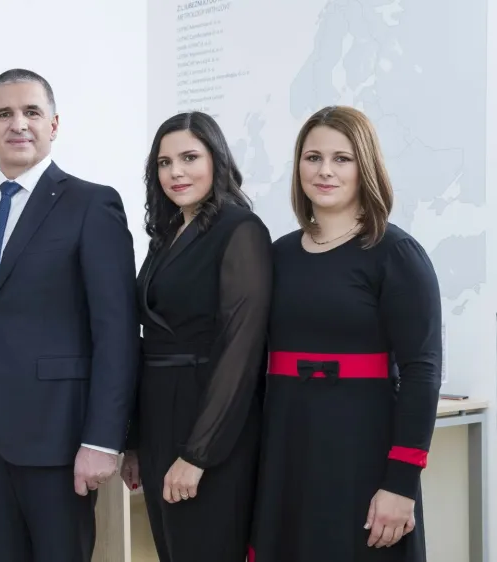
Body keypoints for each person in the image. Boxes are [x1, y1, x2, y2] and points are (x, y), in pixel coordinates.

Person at [0, 68, 140, 562]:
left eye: (31, 111)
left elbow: (116, 332)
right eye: (3, 114)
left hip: (61, 437)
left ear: (54, 124)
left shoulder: (92, 203)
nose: (18, 123)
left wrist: (103, 439)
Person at [249, 105, 442, 562]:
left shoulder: (396, 253)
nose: (325, 171)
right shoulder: (277, 255)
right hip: (287, 449)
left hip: (363, 450)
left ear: (365, 167)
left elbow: (422, 372)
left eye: (342, 158)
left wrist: (400, 485)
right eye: (313, 157)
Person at [118, 111, 271, 561]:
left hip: (210, 423)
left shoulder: (241, 229)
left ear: (216, 160)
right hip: (159, 421)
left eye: (189, 158)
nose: (175, 172)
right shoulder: (166, 235)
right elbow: (147, 342)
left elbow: (241, 351)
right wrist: (134, 442)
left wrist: (199, 454)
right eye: (164, 163)